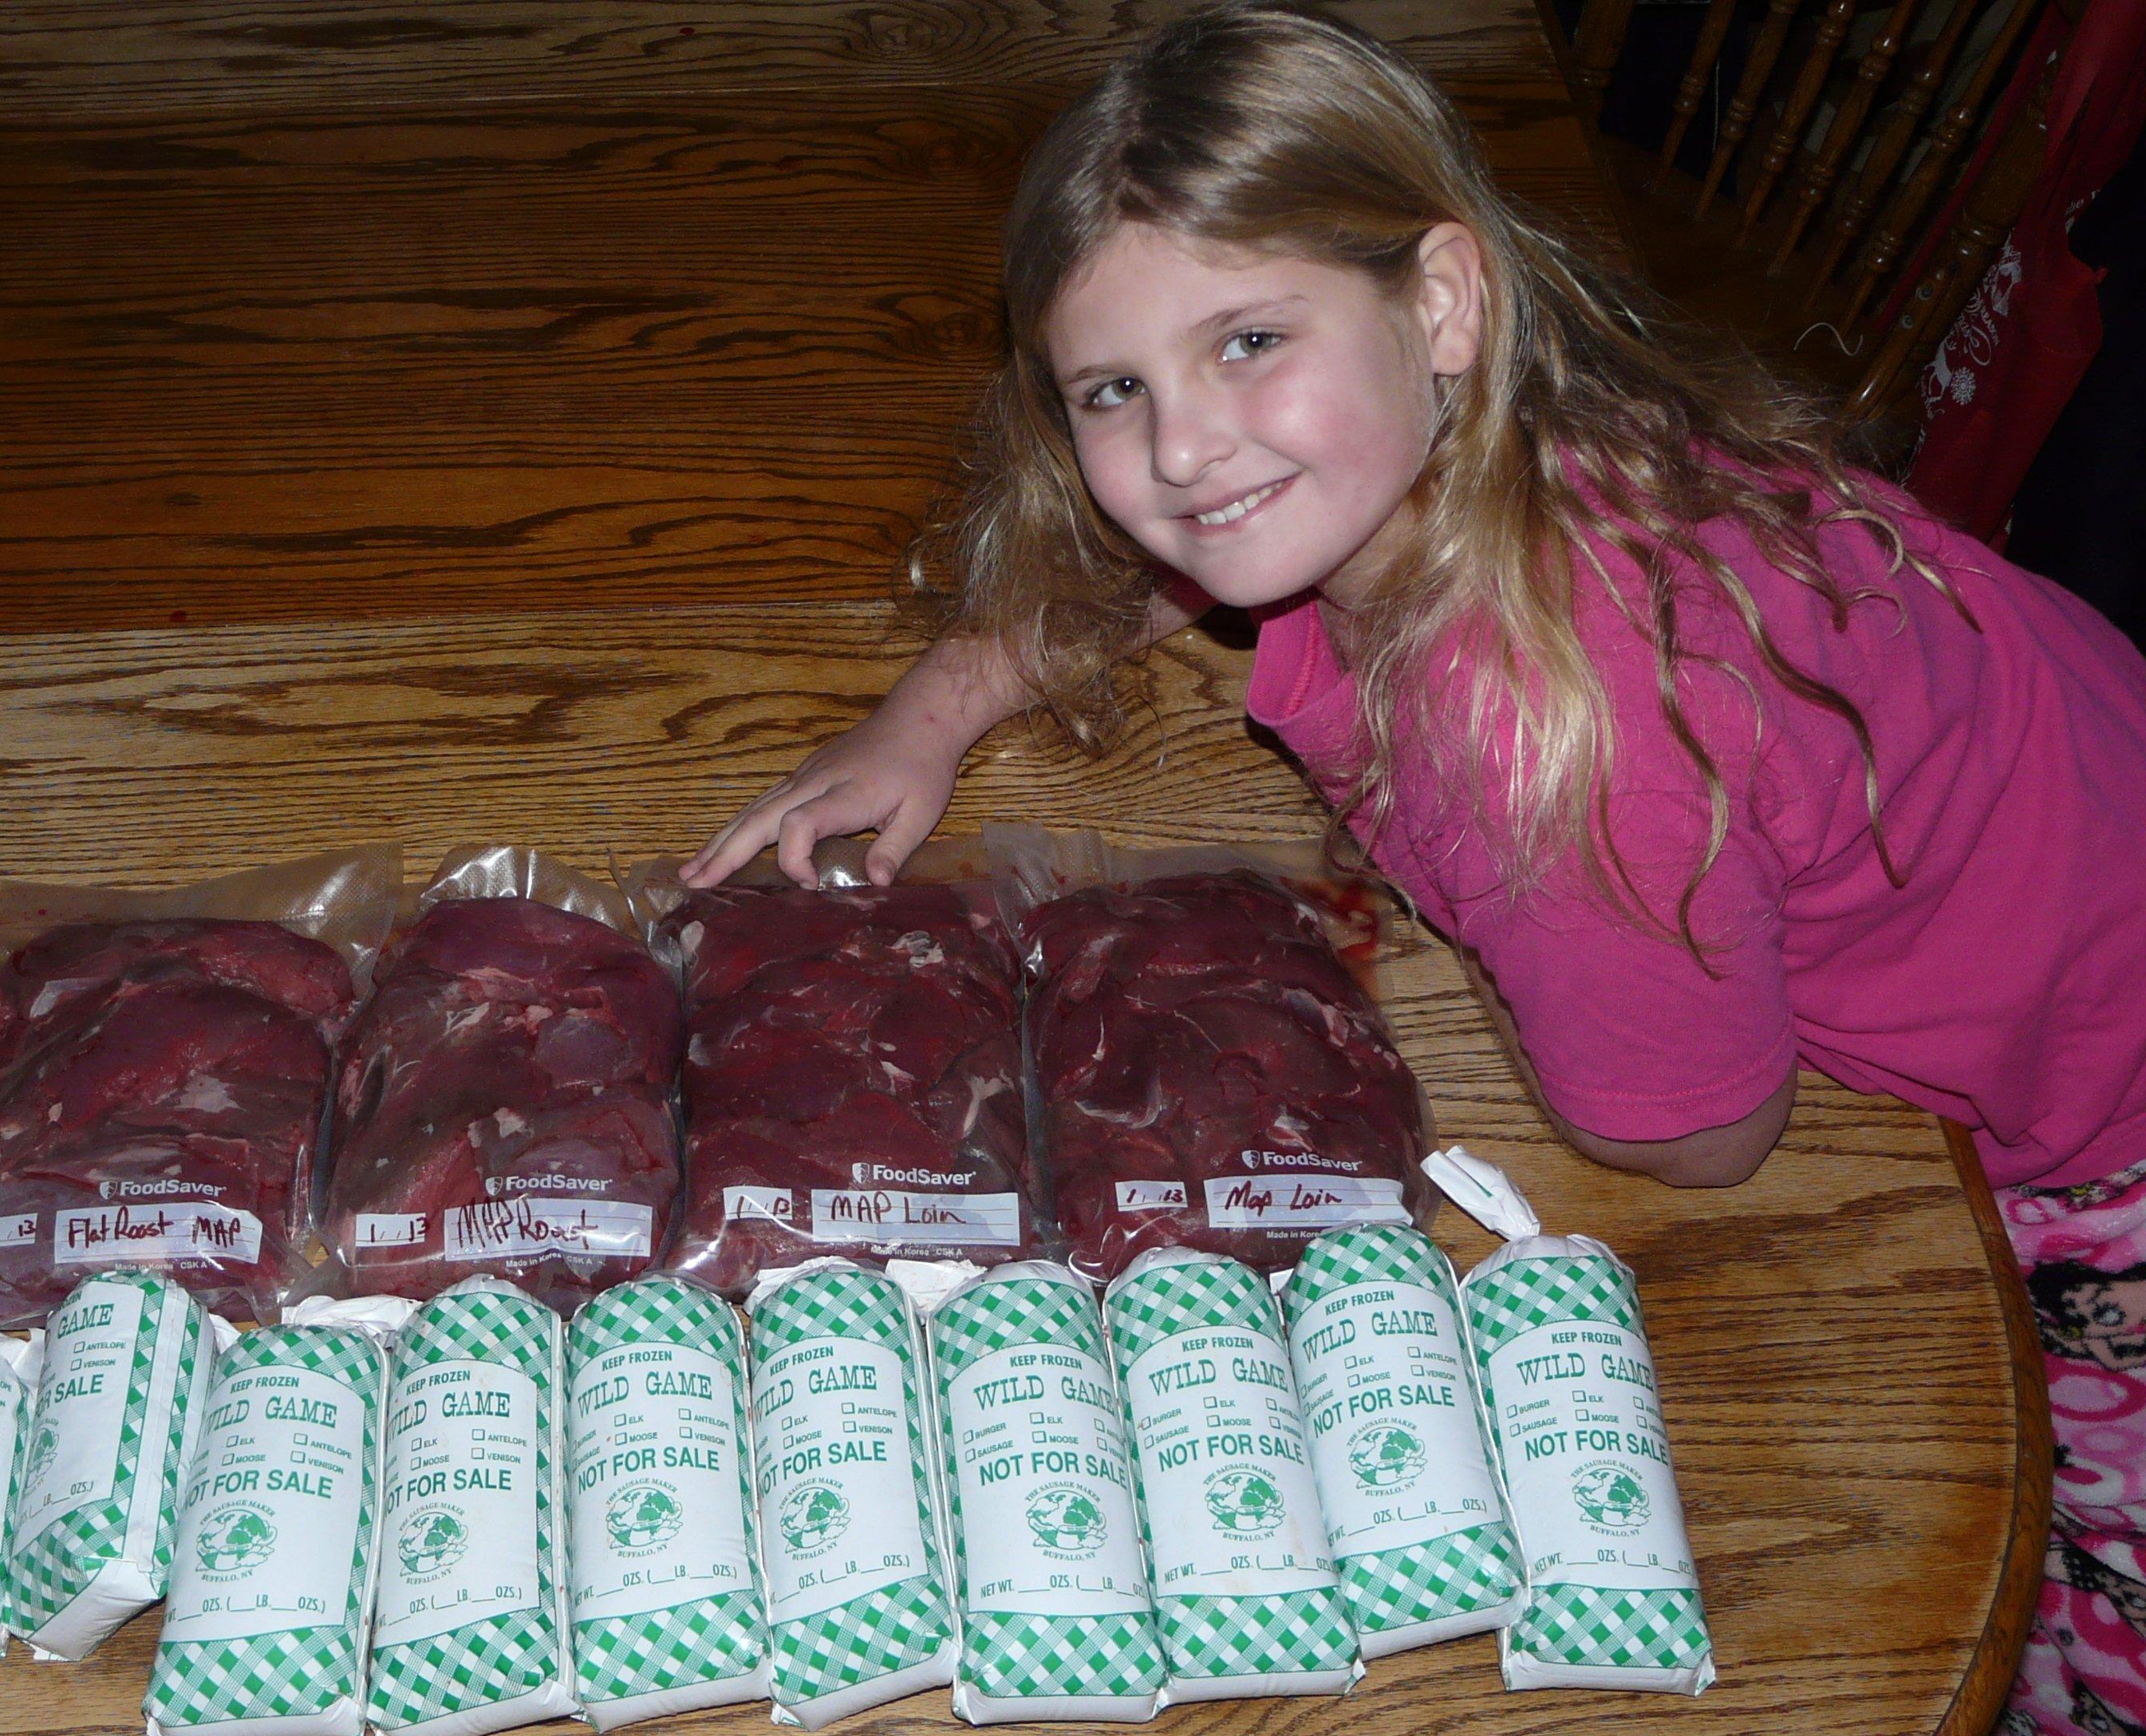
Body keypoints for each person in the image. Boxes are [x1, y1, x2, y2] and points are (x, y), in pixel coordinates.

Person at [675, 6, 2146, 1729]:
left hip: (2107, 1128)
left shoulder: (1562, 751)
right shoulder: (1476, 437)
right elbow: (1206, 542)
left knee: (2084, 1569)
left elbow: (1697, 1130)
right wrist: (936, 708)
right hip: (2094, 762)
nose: (1179, 450)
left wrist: (1529, 959)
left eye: (1246, 341)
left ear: (1440, 301)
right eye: (1113, 387)